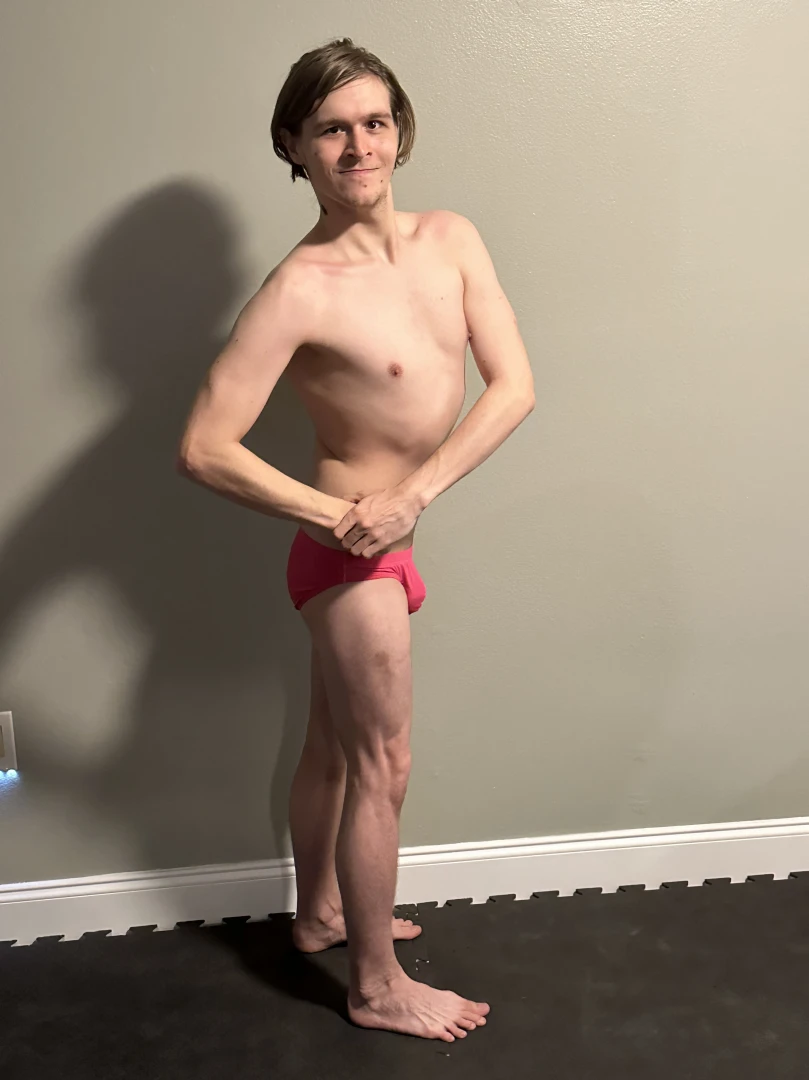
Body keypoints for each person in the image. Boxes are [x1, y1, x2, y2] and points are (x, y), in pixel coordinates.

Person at [176, 37, 534, 1044]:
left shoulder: (452, 239)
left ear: (398, 131)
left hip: (389, 527)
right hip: (347, 554)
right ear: (293, 144)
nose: (357, 145)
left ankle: (319, 915)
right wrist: (338, 518)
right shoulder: (300, 288)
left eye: (374, 122)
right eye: (331, 129)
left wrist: (410, 496)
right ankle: (375, 986)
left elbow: (513, 386)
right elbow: (202, 447)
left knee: (334, 750)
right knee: (383, 761)